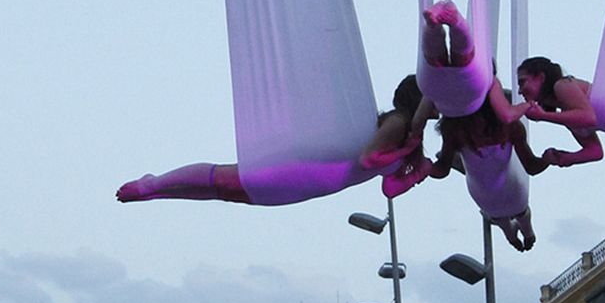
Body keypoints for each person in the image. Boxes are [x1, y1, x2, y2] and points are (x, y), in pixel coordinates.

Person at [116, 80, 421, 209]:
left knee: (223, 192)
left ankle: (156, 192)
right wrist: (406, 151)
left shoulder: (408, 136)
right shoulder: (397, 123)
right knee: (225, 179)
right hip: (303, 174)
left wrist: (418, 173)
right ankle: (153, 184)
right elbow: (368, 160)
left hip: (308, 188)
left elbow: (389, 188)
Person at [510, 58, 604, 169]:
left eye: (522, 82)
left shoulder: (562, 85)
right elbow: (595, 151)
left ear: (541, 77)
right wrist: (564, 158)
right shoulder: (570, 117)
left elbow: (589, 117)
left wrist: (543, 116)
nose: (520, 91)